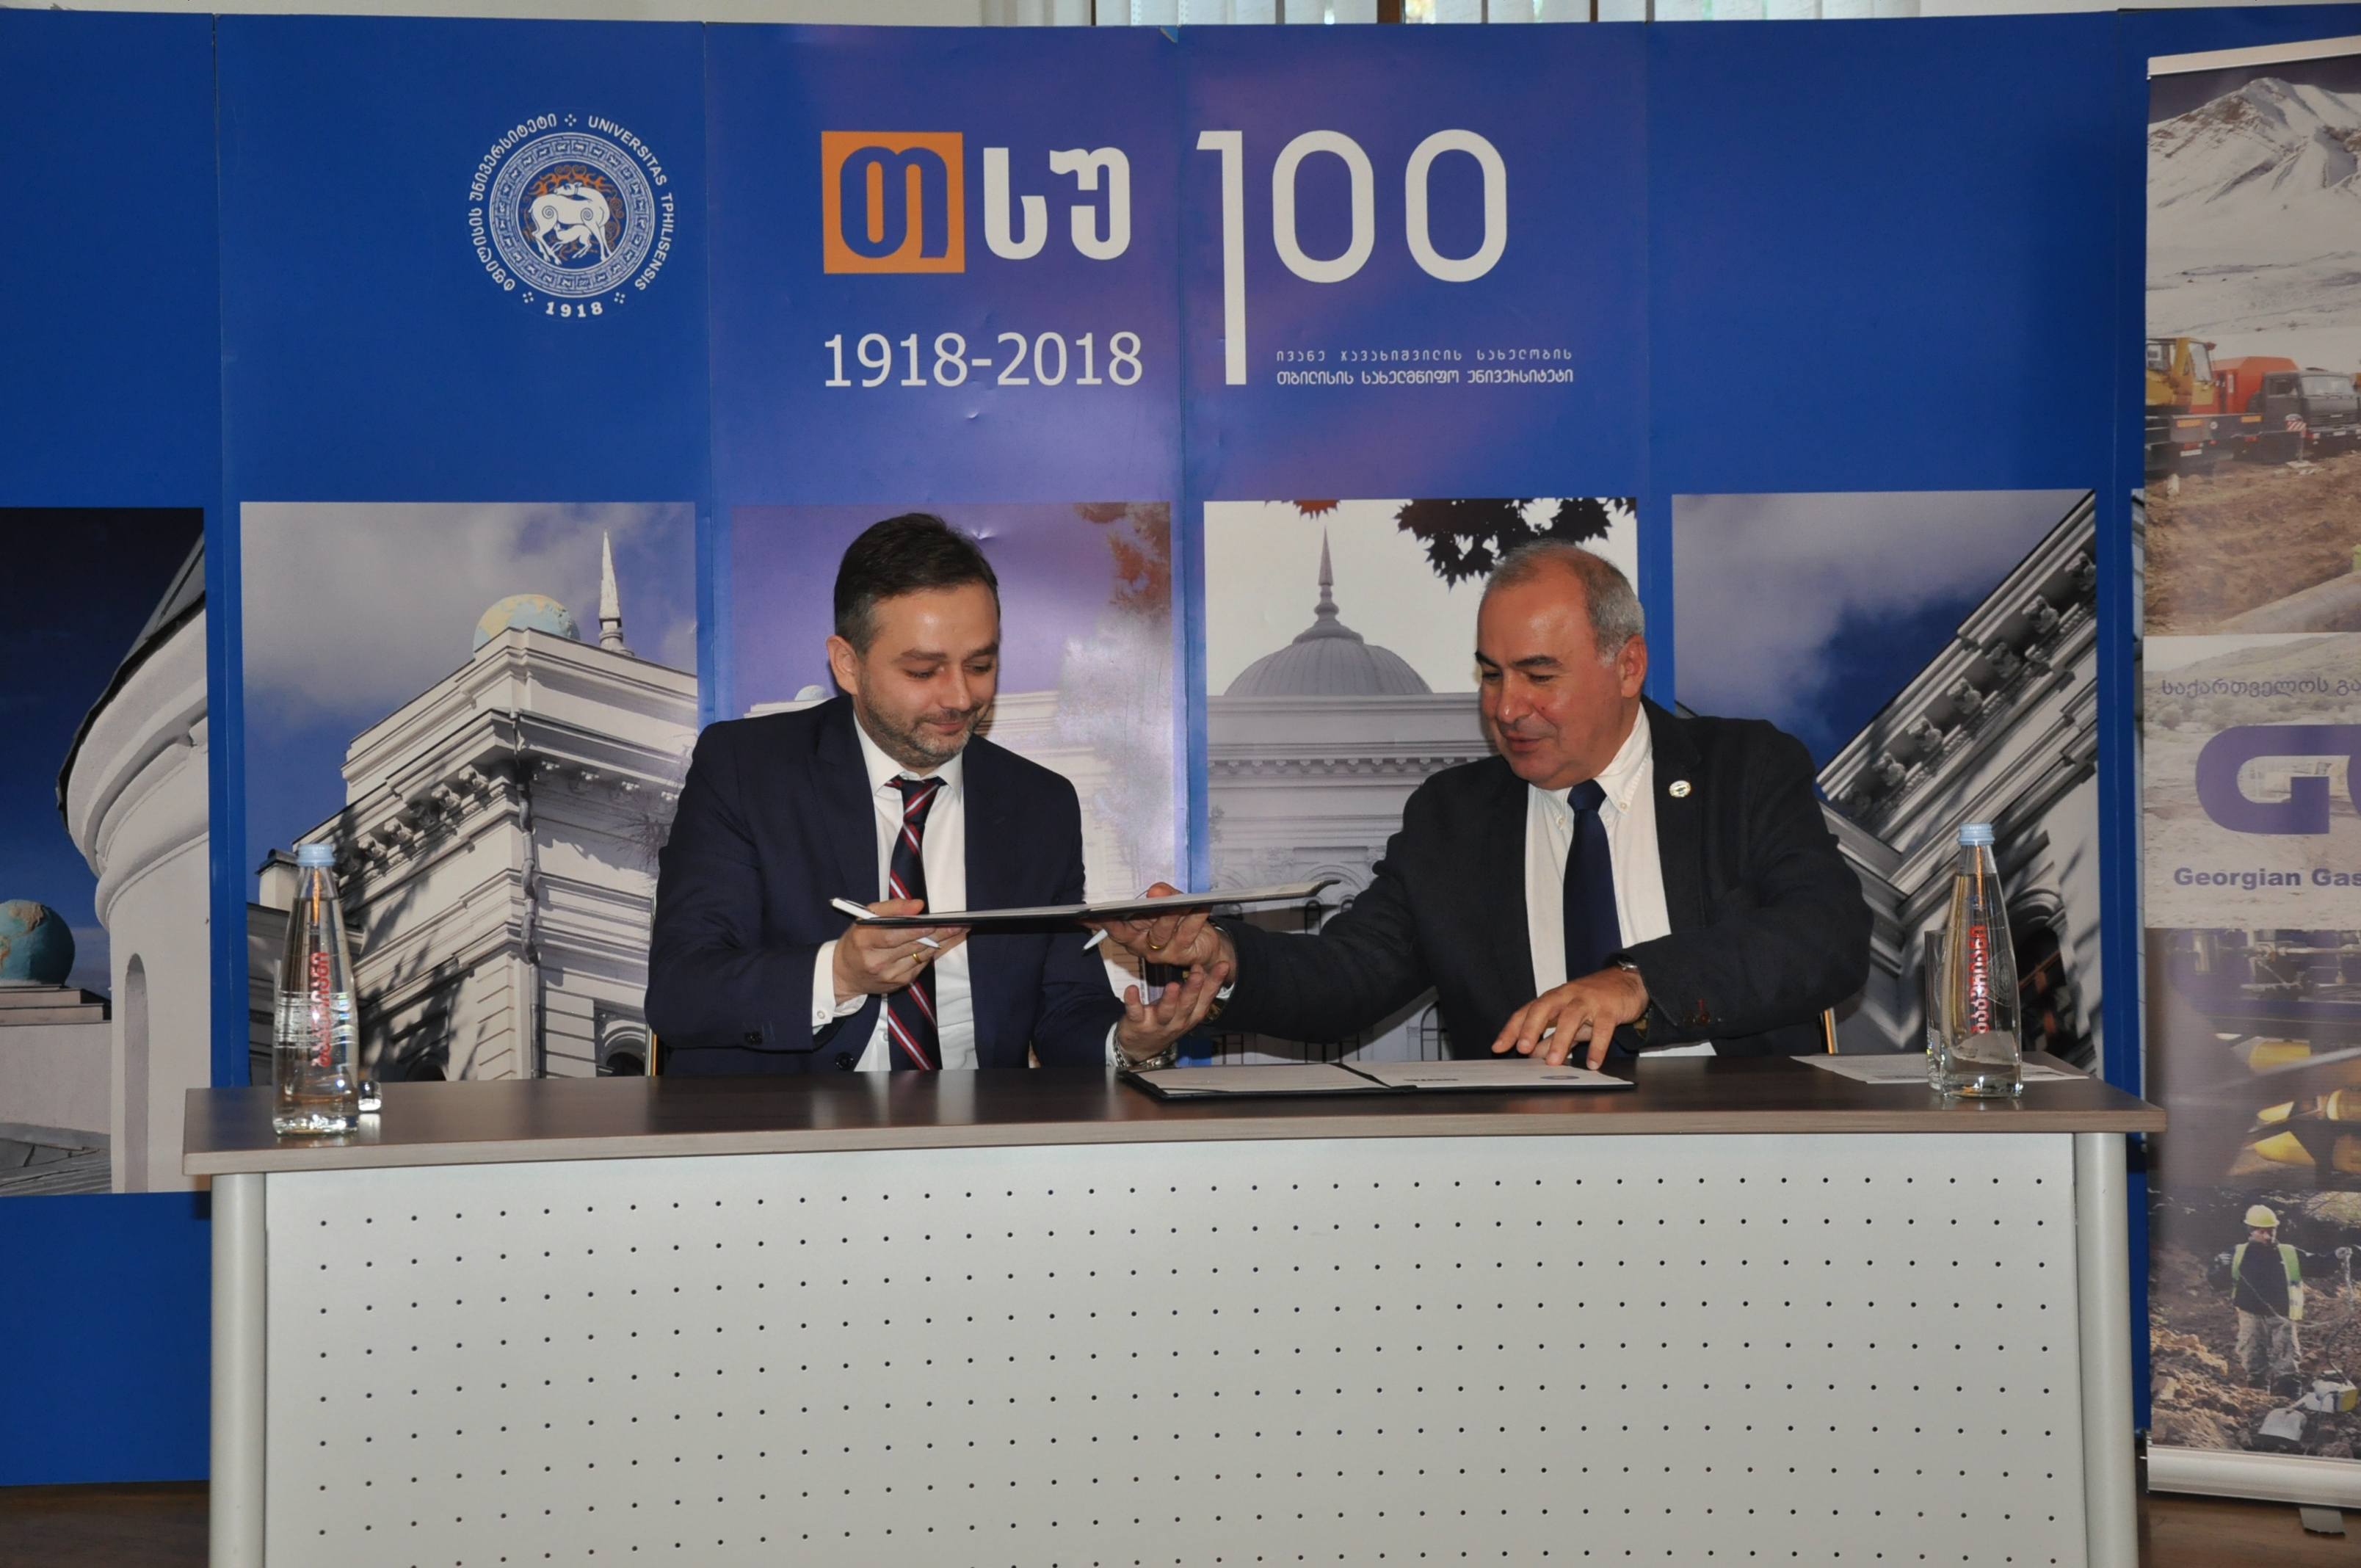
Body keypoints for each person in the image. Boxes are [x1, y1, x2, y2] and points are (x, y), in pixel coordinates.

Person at [1098, 540, 1871, 1067]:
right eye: (1492, 675)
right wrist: (1224, 957)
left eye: (1539, 676)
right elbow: (1350, 972)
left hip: (1739, 1151)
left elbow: (1824, 937)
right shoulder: (1455, 819)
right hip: (1524, 1175)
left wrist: (1640, 984)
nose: (1506, 708)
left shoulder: (1742, 771)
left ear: (1627, 666)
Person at [647, 513, 1225, 1072]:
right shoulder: (747, 770)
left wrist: (1125, 1042)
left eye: (981, 664)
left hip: (977, 1128)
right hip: (788, 1128)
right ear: (847, 664)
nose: (959, 698)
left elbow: (1064, 1007)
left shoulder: (1038, 803)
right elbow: (681, 991)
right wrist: (839, 974)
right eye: (923, 672)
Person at [2220, 1205, 2305, 1392]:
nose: (2268, 1236)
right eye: (2262, 1232)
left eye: (2271, 1231)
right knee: (2251, 1355)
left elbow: (2318, 1264)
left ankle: (2288, 1395)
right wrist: (2220, 1268)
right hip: (2251, 1314)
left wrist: (2337, 1257)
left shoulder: (2289, 1253)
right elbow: (2218, 1279)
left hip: (2281, 1315)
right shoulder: (2238, 1253)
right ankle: (2256, 1396)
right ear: (2250, 1231)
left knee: (2287, 1357)